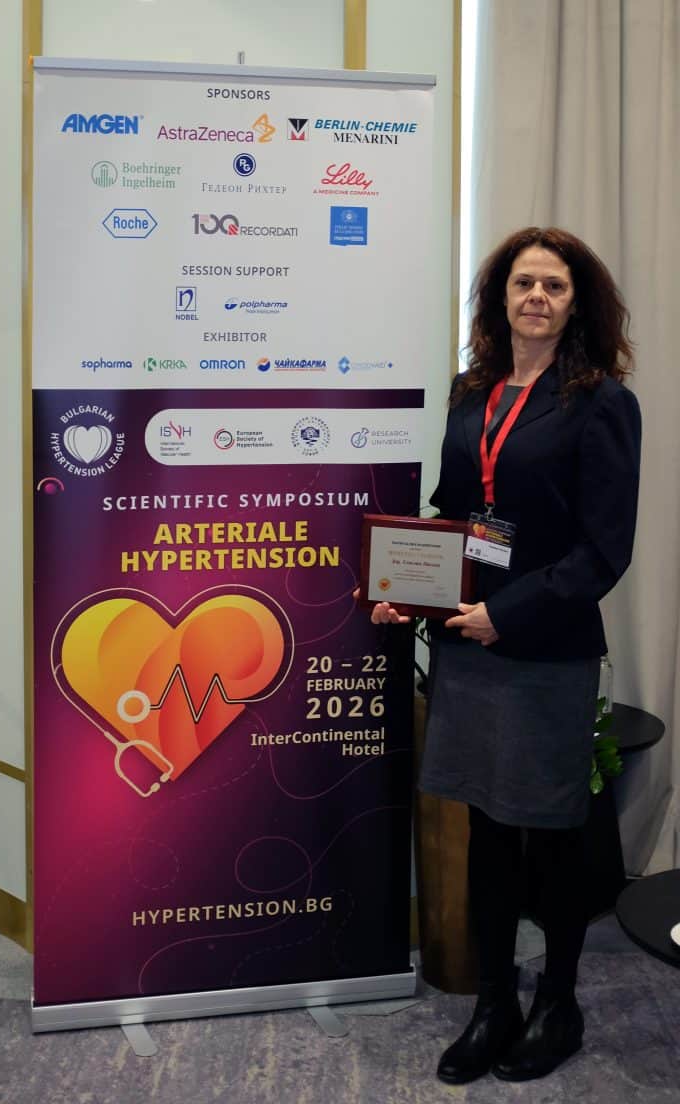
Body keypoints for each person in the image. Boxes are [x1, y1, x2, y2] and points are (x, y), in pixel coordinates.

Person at [369, 227, 641, 1084]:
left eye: (554, 286)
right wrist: (406, 587)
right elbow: (455, 508)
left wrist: (506, 614)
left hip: (544, 649)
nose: (536, 298)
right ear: (500, 298)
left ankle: (558, 1003)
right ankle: (495, 1002)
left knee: (551, 833)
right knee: (487, 826)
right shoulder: (473, 391)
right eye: (524, 283)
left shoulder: (601, 403)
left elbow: (604, 551)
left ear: (576, 304)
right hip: (468, 642)